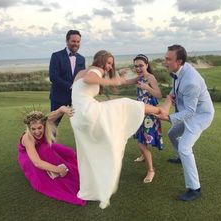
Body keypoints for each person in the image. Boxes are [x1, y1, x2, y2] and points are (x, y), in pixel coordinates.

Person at [69, 50, 172, 209]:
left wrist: (126, 79)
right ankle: (161, 111)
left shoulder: (82, 72)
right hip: (87, 112)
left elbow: (81, 90)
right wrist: (114, 81)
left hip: (78, 117)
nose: (109, 67)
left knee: (90, 153)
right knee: (126, 103)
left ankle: (90, 189)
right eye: (108, 63)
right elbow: (91, 78)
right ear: (100, 60)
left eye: (111, 64)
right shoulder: (94, 71)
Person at [157, 44, 214, 201]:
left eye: (168, 59)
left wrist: (168, 118)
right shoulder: (180, 69)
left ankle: (195, 189)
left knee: (185, 147)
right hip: (191, 113)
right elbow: (176, 89)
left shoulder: (191, 81)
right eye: (165, 58)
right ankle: (180, 158)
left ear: (179, 61)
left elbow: (190, 111)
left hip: (201, 116)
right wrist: (169, 99)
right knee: (172, 133)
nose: (165, 61)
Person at [18, 106, 86, 206]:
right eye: (33, 129)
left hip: (44, 146)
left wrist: (65, 110)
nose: (37, 132)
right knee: (46, 159)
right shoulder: (27, 138)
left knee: (69, 153)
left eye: (39, 128)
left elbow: (59, 110)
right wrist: (58, 170)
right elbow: (37, 162)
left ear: (44, 125)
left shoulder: (45, 120)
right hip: (30, 157)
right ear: (29, 128)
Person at [123, 54, 163, 183]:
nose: (138, 68)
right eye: (136, 66)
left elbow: (159, 95)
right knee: (141, 136)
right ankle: (143, 155)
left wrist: (147, 87)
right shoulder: (139, 78)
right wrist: (120, 75)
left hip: (149, 114)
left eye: (141, 65)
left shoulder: (150, 78)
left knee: (142, 141)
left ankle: (151, 170)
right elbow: (124, 83)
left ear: (146, 65)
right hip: (139, 111)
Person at [49, 30, 85, 126]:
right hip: (59, 98)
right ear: (67, 41)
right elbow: (53, 77)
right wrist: (71, 86)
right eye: (73, 41)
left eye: (78, 42)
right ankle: (48, 141)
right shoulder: (56, 56)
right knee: (52, 125)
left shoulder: (82, 59)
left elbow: (82, 77)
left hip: (76, 98)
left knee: (81, 123)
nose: (76, 44)